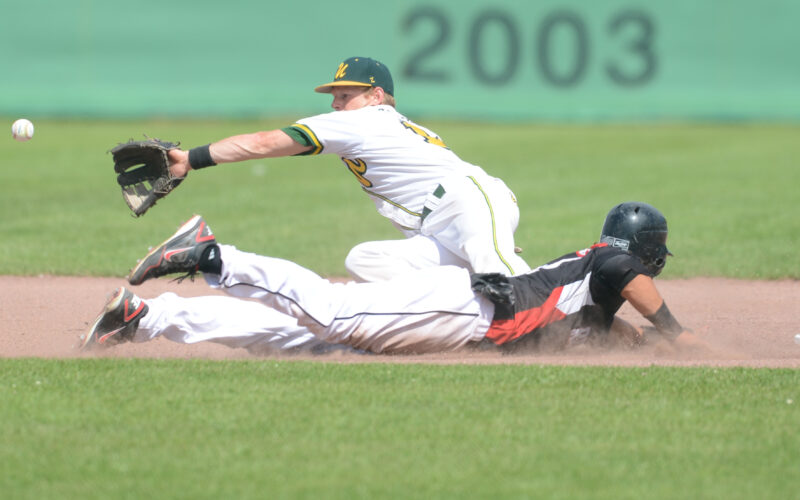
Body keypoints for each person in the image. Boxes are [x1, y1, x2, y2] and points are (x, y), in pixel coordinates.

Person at [80, 202, 709, 355]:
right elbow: (624, 275)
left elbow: (597, 327)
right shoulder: (607, 264)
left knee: (306, 339)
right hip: (469, 311)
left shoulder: (584, 289)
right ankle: (216, 256)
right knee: (334, 314)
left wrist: (643, 344)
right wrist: (676, 333)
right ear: (646, 252)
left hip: (458, 314)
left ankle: (147, 317)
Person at [162, 56, 529, 282]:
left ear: (376, 96)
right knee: (366, 260)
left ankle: (560, 324)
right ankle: (472, 318)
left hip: (465, 201)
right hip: (444, 222)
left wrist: (192, 158)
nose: (336, 104)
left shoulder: (362, 121)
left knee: (500, 272)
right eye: (334, 96)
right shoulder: (389, 124)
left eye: (345, 95)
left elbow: (263, 142)